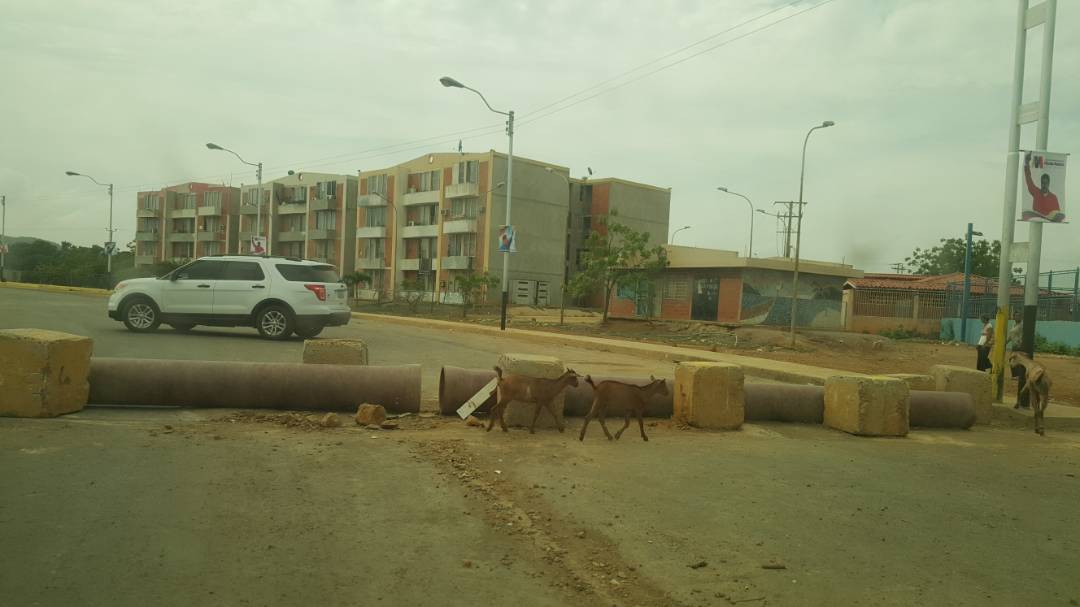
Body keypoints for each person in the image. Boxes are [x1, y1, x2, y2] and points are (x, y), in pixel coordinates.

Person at [1023, 152, 1064, 222]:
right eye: (1043, 183)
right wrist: (1026, 163)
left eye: (1046, 183)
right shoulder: (1036, 192)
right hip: (1035, 218)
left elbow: (1058, 215)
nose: (1044, 185)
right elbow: (1028, 179)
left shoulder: (1054, 198)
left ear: (1049, 183)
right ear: (1041, 183)